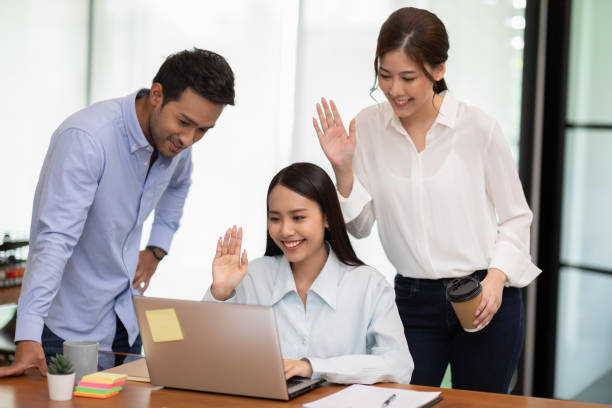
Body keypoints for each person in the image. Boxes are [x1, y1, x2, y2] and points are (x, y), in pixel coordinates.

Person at [312, 7, 541, 393]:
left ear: (439, 70)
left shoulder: (478, 128)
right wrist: (344, 171)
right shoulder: (368, 126)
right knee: (398, 400)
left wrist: (497, 279)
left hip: (483, 296)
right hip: (412, 301)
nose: (395, 90)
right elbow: (362, 227)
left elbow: (516, 217)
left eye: (408, 77)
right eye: (385, 76)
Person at [0, 48, 235, 377]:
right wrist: (27, 334)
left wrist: (156, 249)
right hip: (65, 330)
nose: (189, 139)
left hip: (126, 319)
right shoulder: (87, 139)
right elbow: (54, 240)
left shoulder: (177, 143)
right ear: (157, 95)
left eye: (203, 131)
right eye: (184, 123)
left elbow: (179, 186)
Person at [203, 162, 413, 384]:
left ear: (328, 218)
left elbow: (399, 366)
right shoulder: (252, 276)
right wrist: (220, 293)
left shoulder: (369, 285)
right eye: (275, 218)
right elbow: (205, 355)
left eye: (298, 217)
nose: (285, 230)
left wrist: (312, 367)